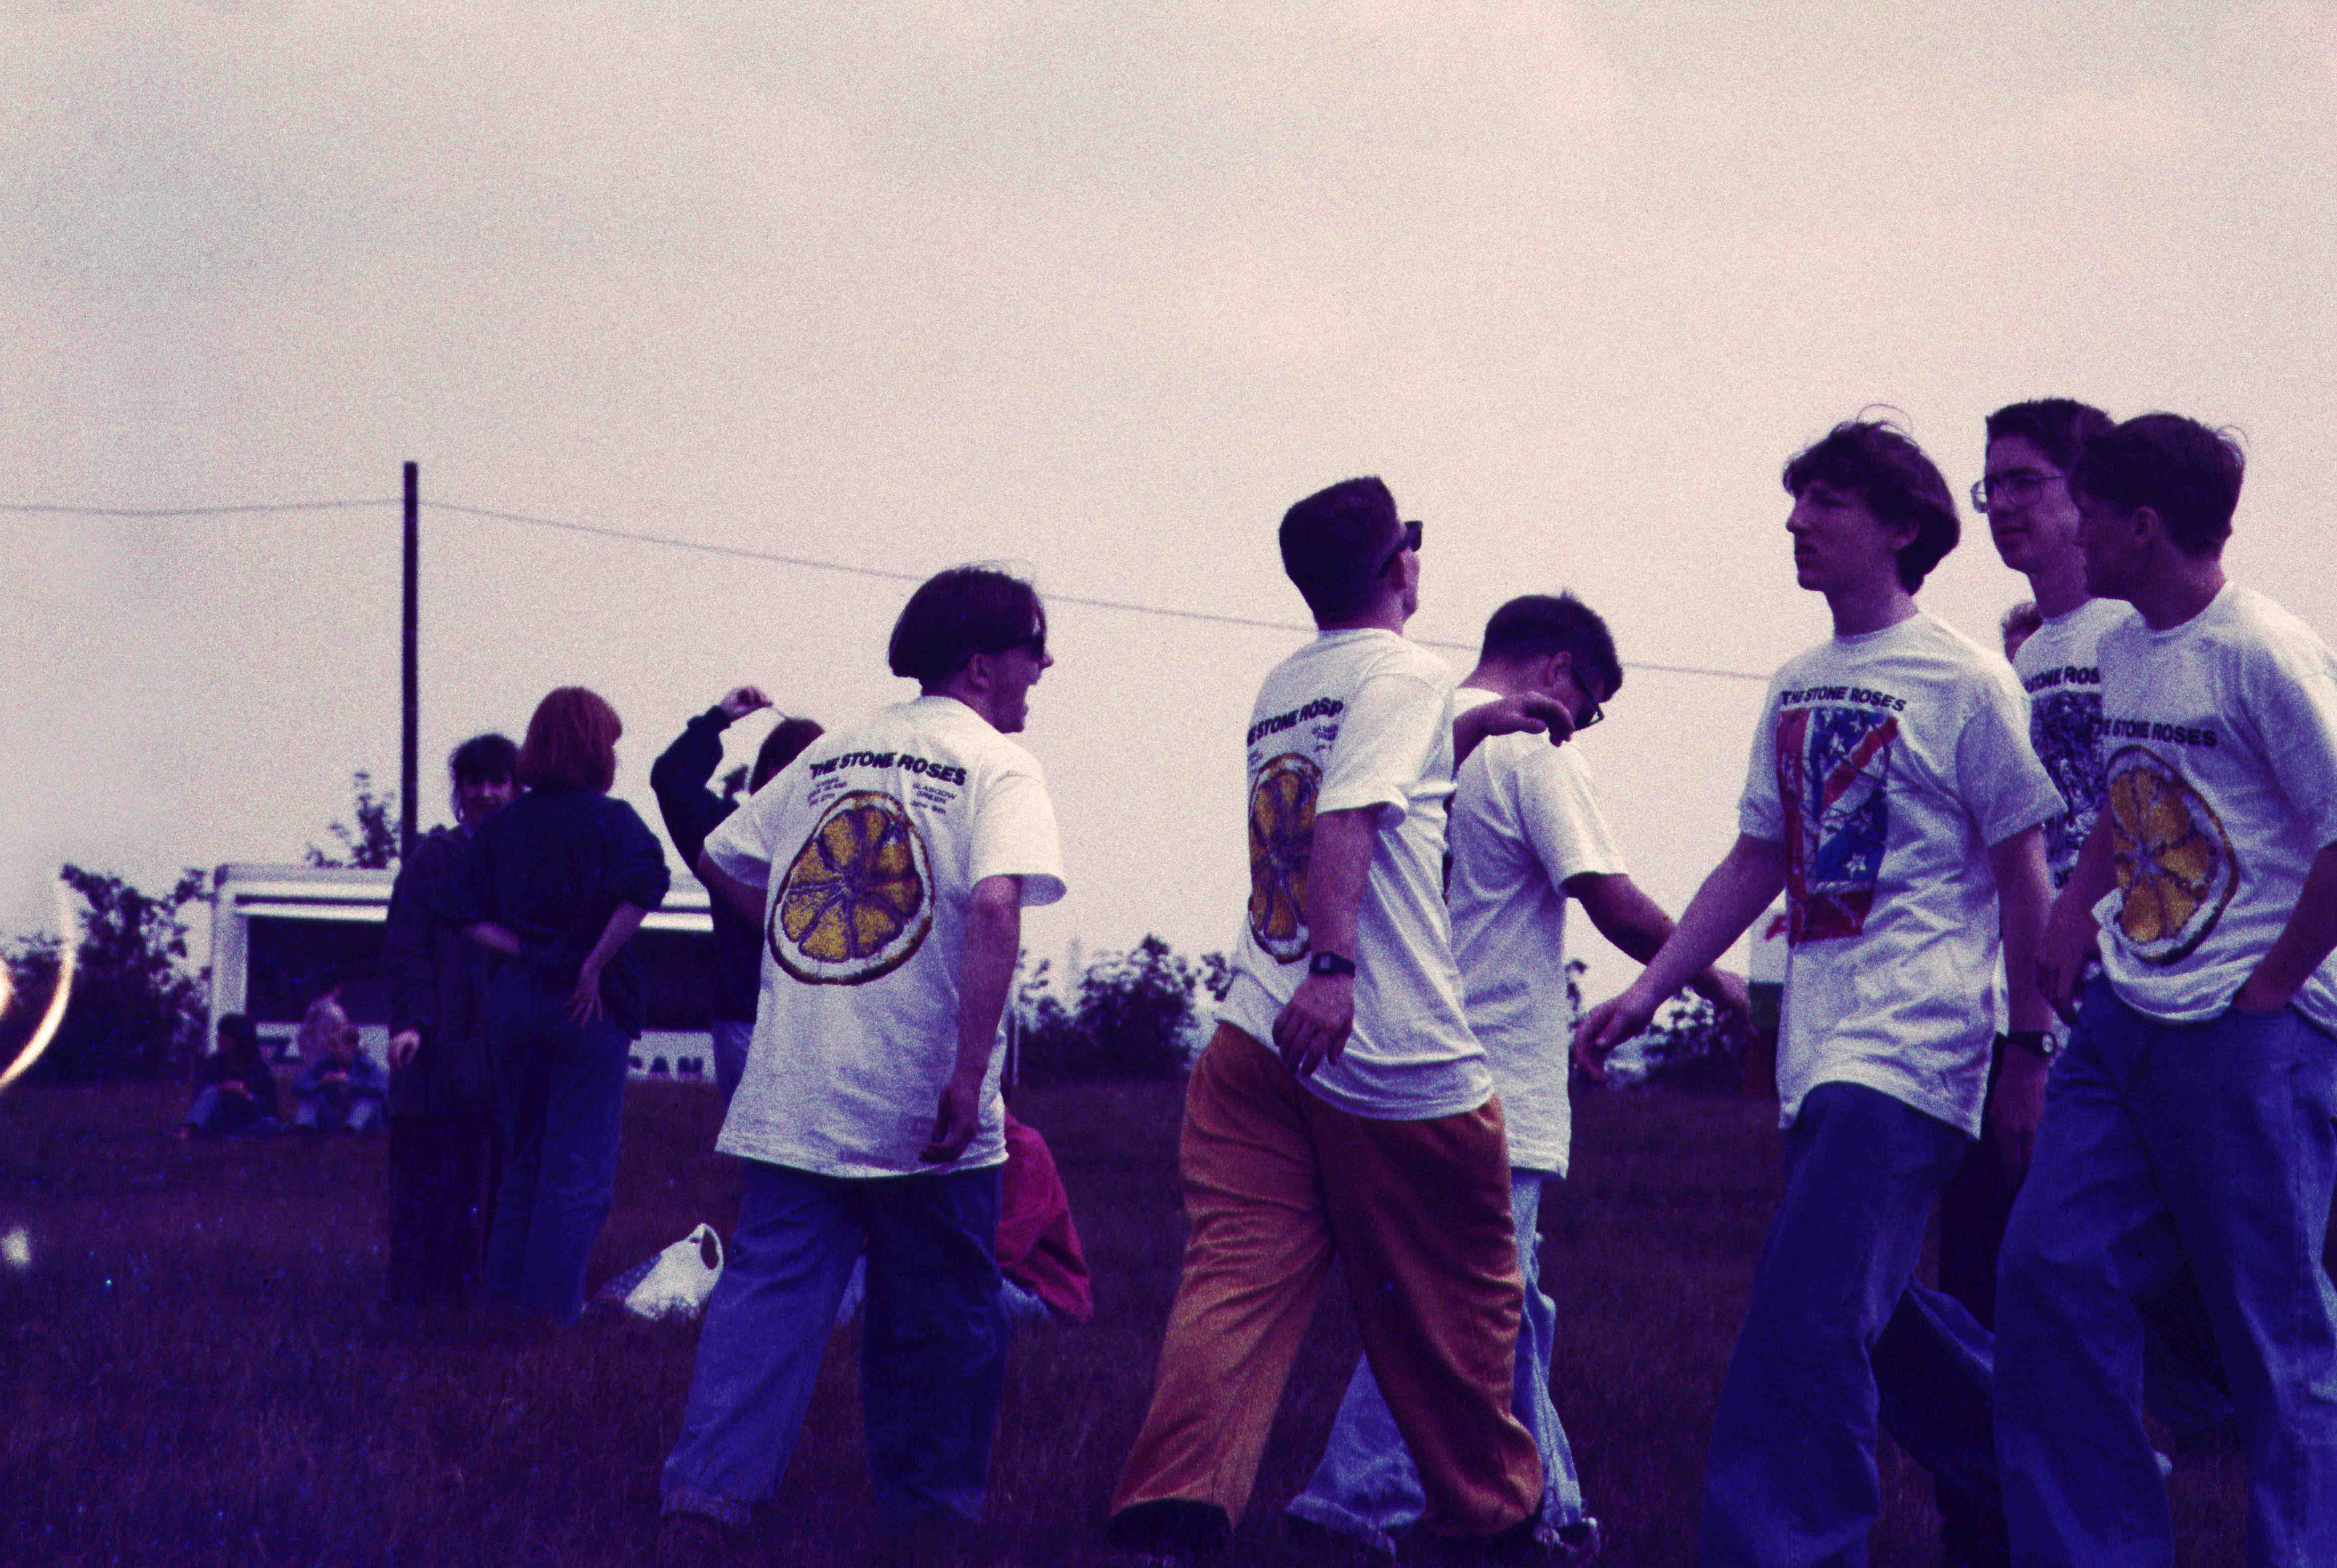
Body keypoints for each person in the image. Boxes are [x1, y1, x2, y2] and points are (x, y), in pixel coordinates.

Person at [1576, 419, 2061, 1566]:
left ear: (1899, 528)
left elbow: (2020, 871)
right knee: (1876, 1322)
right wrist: (1649, 993)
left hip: (1910, 1051)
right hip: (1814, 1052)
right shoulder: (1794, 683)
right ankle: (2072, 1474)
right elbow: (1756, 859)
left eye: (1825, 503)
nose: (1795, 523)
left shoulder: (1965, 679)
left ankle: (1782, 1548)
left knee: (1801, 1331)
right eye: (1794, 504)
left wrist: (2030, 1049)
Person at [1106, 478, 1574, 1563]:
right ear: (1397, 569)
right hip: (1384, 1044)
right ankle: (1492, 1520)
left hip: (1251, 1036)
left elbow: (1362, 770)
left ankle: (1170, 1513)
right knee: (1463, 1305)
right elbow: (1351, 809)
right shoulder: (1407, 669)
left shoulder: (1289, 681)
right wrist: (1333, 968)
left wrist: (1473, 726)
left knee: (1235, 1279)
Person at [1285, 591, 1750, 1560]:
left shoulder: (1414, 739)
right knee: (1457, 1308)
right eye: (1588, 697)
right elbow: (1607, 896)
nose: (1583, 722)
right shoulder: (1530, 750)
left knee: (1508, 1301)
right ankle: (1346, 1505)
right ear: (1552, 669)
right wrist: (1712, 983)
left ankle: (1552, 1514)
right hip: (1492, 1074)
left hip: (1389, 1060)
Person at [656, 566, 1066, 1565]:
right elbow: (998, 909)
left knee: (766, 1304)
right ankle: (927, 1523)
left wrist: (810, 940)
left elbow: (723, 857)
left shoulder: (829, 753)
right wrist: (967, 1079)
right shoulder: (996, 764)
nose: (1041, 667)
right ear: (979, 664)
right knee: (937, 1321)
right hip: (920, 1101)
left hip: (799, 1088)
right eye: (1031, 648)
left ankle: (703, 1507)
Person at [1998, 413, 2337, 1566]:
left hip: (2249, 1032)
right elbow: (2129, 788)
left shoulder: (2261, 653)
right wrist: (2069, 905)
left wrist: (2271, 989)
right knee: (2048, 1273)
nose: (2069, 533)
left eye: (2086, 510)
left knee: (2271, 1329)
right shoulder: (2128, 648)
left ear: (2138, 525)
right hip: (2121, 1020)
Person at [452, 687, 670, 1326]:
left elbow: (462, 914)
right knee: (577, 1171)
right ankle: (550, 1322)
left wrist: (526, 951)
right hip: (587, 1006)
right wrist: (592, 963)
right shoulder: (614, 821)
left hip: (514, 1004)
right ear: (595, 748)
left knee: (523, 1160)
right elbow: (643, 891)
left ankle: (505, 1309)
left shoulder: (502, 827)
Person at [382, 732, 519, 1305]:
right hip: (440, 1044)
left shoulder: (526, 859)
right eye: (474, 781)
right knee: (431, 1173)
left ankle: (485, 1297)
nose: (486, 793)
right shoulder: (433, 859)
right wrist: (411, 1021)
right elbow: (406, 942)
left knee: (498, 1176)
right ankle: (421, 1297)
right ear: (459, 790)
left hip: (506, 1045)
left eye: (498, 781)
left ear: (516, 788)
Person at [650, 689, 824, 1101]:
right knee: (759, 1163)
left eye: (811, 769)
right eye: (786, 767)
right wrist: (718, 718)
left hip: (820, 1033)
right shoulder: (731, 835)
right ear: (764, 774)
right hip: (745, 1025)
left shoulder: (848, 846)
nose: (794, 781)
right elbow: (671, 780)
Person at [178, 1013, 282, 1138]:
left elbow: (270, 1108)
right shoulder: (213, 1063)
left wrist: (247, 1095)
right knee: (210, 1093)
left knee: (270, 1124)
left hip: (246, 1122)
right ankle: (188, 1132)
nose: (219, 1039)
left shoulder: (259, 1069)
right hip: (219, 1120)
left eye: (224, 1036)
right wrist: (224, 1088)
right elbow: (200, 1096)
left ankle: (232, 1139)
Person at [289, 1013, 389, 1135]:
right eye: (330, 1044)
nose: (330, 1049)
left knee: (369, 1102)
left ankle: (352, 1135)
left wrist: (350, 1083)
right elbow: (296, 1085)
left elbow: (384, 1089)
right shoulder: (324, 1062)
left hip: (362, 1125)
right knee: (310, 1097)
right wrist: (321, 1083)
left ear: (351, 1047)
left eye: (335, 1045)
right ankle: (303, 1133)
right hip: (332, 1118)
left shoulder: (366, 1064)